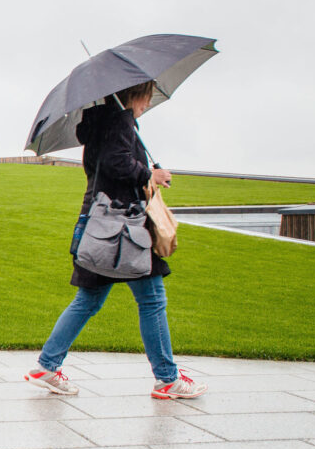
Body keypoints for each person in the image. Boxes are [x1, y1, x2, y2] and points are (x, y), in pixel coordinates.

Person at [25, 80, 206, 400]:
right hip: (123, 231)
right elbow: (115, 164)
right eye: (147, 96)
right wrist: (151, 175)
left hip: (99, 227)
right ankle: (167, 379)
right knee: (151, 300)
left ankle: (47, 366)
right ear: (134, 94)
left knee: (89, 300)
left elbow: (110, 165)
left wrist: (143, 170)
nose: (148, 103)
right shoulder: (119, 124)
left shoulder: (102, 124)